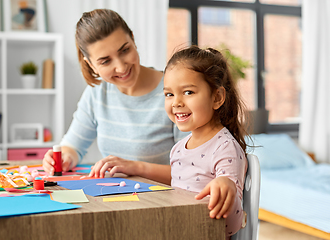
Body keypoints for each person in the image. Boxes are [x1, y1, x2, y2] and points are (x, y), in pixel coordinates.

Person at [91, 45, 249, 238]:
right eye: (169, 94)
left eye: (188, 92)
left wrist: (228, 189)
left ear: (217, 97)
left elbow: (232, 225)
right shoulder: (179, 149)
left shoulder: (225, 148)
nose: (176, 102)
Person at [42, 9, 187, 184]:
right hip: (116, 198)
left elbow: (194, 171)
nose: (121, 67)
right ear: (91, 65)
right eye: (105, 61)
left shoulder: (174, 93)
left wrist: (136, 167)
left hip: (164, 204)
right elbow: (73, 146)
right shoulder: (97, 94)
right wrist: (63, 158)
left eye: (125, 50)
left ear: (133, 39)